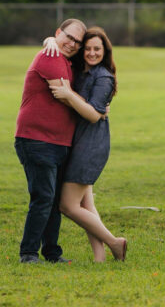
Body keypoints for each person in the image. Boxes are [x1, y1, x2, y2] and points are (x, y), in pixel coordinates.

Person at [46, 26, 127, 262]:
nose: (92, 53)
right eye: (88, 48)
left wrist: (69, 95)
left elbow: (93, 114)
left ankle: (115, 242)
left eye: (97, 49)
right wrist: (50, 40)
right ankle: (99, 257)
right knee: (86, 204)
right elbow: (91, 108)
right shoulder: (80, 70)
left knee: (68, 205)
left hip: (90, 145)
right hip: (76, 141)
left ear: (105, 51)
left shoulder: (103, 77)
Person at [14, 18, 86, 264]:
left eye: (78, 41)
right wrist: (93, 109)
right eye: (69, 37)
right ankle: (28, 253)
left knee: (54, 200)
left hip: (60, 142)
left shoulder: (65, 59)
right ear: (58, 33)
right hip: (36, 139)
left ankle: (52, 253)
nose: (73, 44)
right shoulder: (51, 55)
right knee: (43, 197)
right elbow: (64, 96)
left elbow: (71, 92)